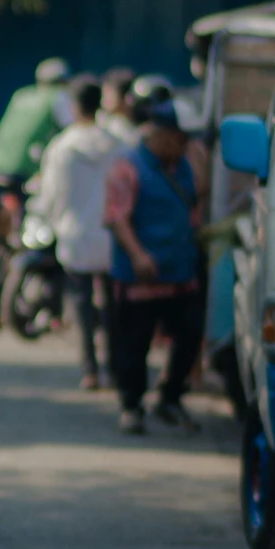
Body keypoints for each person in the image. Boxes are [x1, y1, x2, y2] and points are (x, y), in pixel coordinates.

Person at [104, 99, 203, 435]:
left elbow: (193, 205)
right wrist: (138, 255)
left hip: (180, 274)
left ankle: (170, 397)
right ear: (161, 135)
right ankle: (131, 405)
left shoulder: (184, 166)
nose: (186, 146)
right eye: (181, 138)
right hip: (142, 277)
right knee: (134, 343)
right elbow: (117, 217)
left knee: (189, 335)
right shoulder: (128, 167)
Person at [37, 76, 116, 391]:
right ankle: (112, 366)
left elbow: (52, 194)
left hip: (76, 235)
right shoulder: (115, 144)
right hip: (110, 237)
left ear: (74, 106)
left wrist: (56, 221)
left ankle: (90, 369)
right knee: (111, 306)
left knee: (83, 305)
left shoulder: (62, 147)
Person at [0, 58, 70, 187]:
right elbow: (71, 130)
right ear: (62, 81)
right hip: (24, 168)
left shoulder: (21, 95)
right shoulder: (57, 97)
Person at [100, 67, 141, 146]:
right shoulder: (104, 124)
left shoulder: (140, 128)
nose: (103, 100)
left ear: (127, 97)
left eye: (108, 94)